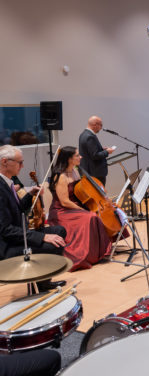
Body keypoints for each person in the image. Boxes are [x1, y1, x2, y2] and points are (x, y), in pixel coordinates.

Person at [0, 145, 67, 290]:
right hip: (7, 246)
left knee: (59, 231)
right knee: (52, 244)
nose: (23, 166)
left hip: (16, 237)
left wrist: (30, 195)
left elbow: (18, 210)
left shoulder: (7, 182)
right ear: (5, 161)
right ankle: (42, 285)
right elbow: (6, 230)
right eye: (19, 162)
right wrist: (41, 237)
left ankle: (43, 281)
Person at [47, 146, 113, 271]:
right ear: (69, 159)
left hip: (74, 206)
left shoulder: (74, 171)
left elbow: (81, 190)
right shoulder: (60, 176)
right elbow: (65, 202)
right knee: (91, 217)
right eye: (77, 155)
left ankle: (98, 252)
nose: (80, 157)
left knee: (96, 214)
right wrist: (83, 210)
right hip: (61, 211)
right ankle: (86, 256)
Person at [78, 116, 113, 186]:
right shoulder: (90, 136)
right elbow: (95, 155)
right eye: (101, 125)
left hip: (89, 171)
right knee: (99, 195)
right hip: (95, 173)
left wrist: (101, 149)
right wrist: (107, 152)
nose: (101, 128)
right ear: (95, 125)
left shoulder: (83, 134)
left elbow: (89, 151)